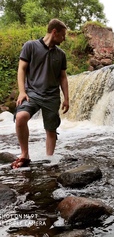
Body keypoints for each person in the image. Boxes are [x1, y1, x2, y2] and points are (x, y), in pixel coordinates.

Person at [11, 19, 70, 169]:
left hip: (52, 97)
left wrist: (67, 99)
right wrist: (22, 91)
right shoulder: (30, 46)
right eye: (62, 35)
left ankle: (49, 160)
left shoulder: (61, 54)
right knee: (20, 117)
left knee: (51, 129)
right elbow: (22, 69)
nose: (64, 39)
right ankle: (25, 154)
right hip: (32, 93)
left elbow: (63, 77)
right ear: (54, 32)